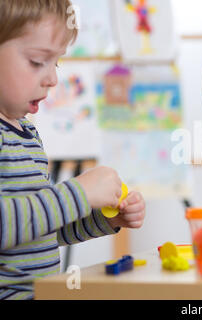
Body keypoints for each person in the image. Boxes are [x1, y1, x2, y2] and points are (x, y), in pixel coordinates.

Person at [0, 0, 146, 299]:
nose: (53, 78)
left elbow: (38, 229)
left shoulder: (27, 134)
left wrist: (102, 219)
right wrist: (78, 194)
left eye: (56, 62)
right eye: (38, 61)